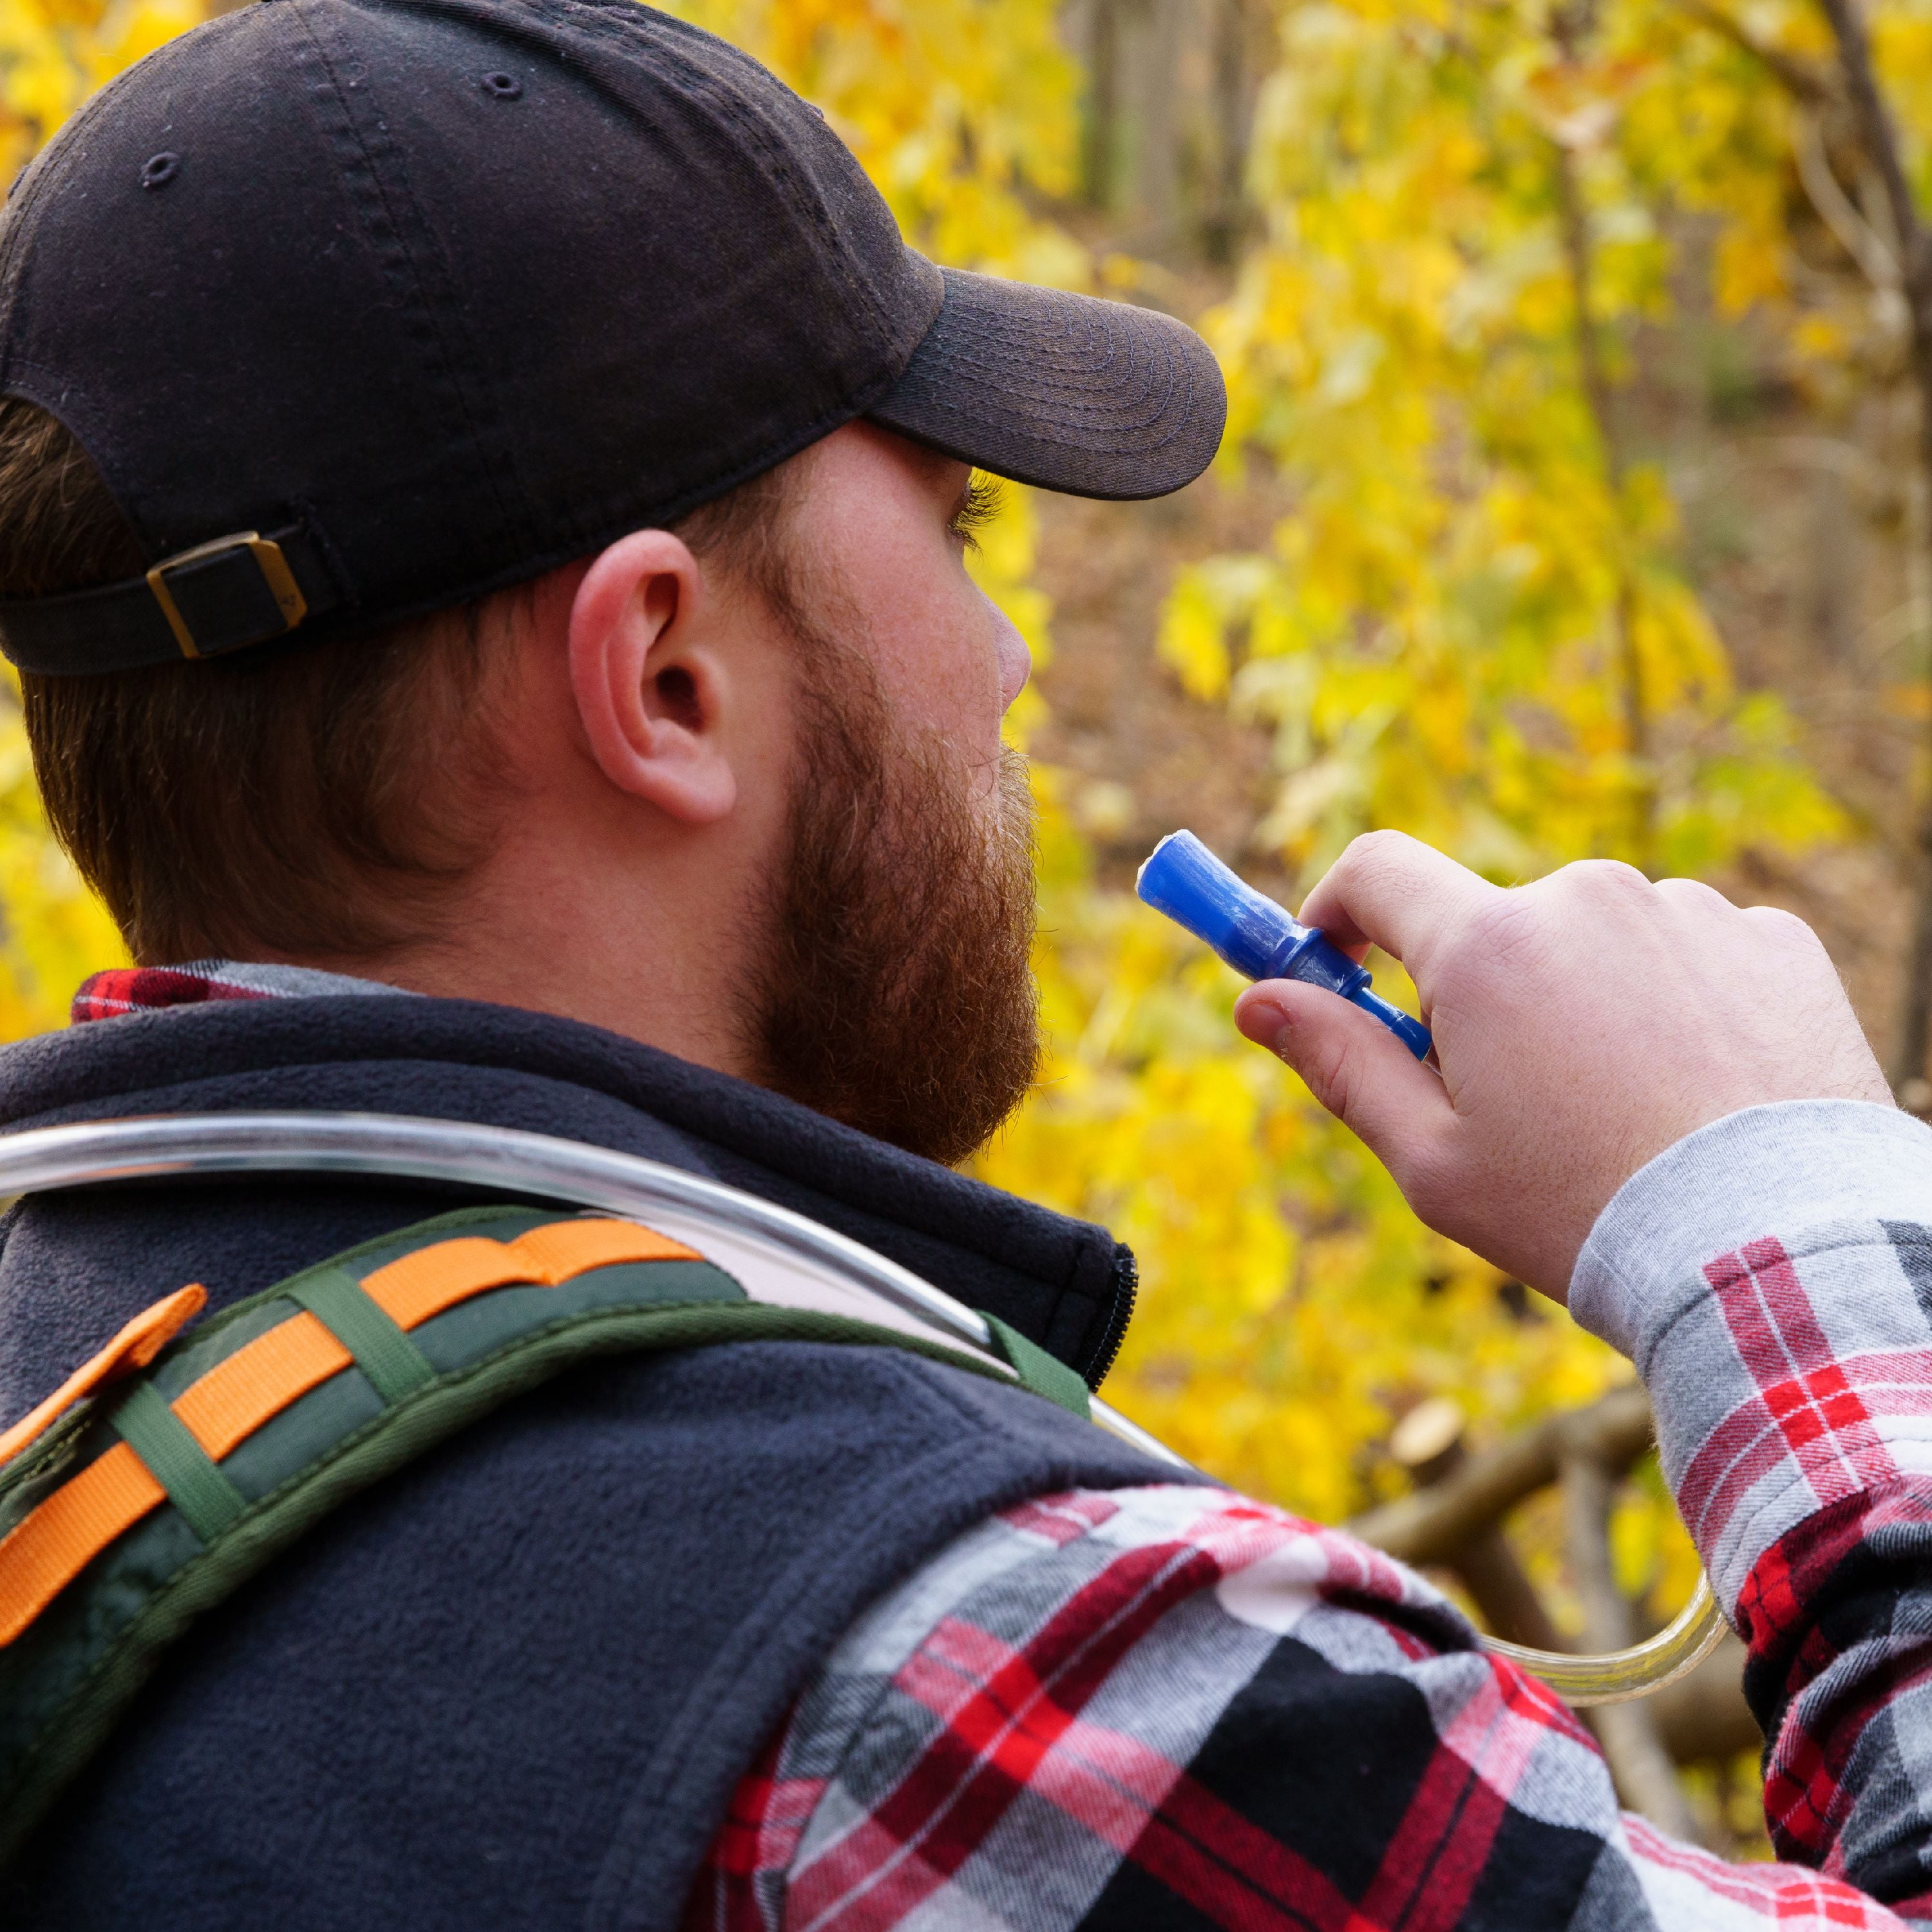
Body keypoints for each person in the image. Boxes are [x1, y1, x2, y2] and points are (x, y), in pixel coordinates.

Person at [0, 0, 1924, 1926]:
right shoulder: (1012, 1675)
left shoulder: (69, 1408)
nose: (1013, 662)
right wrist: (1773, 1209)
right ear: (666, 678)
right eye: (963, 523)